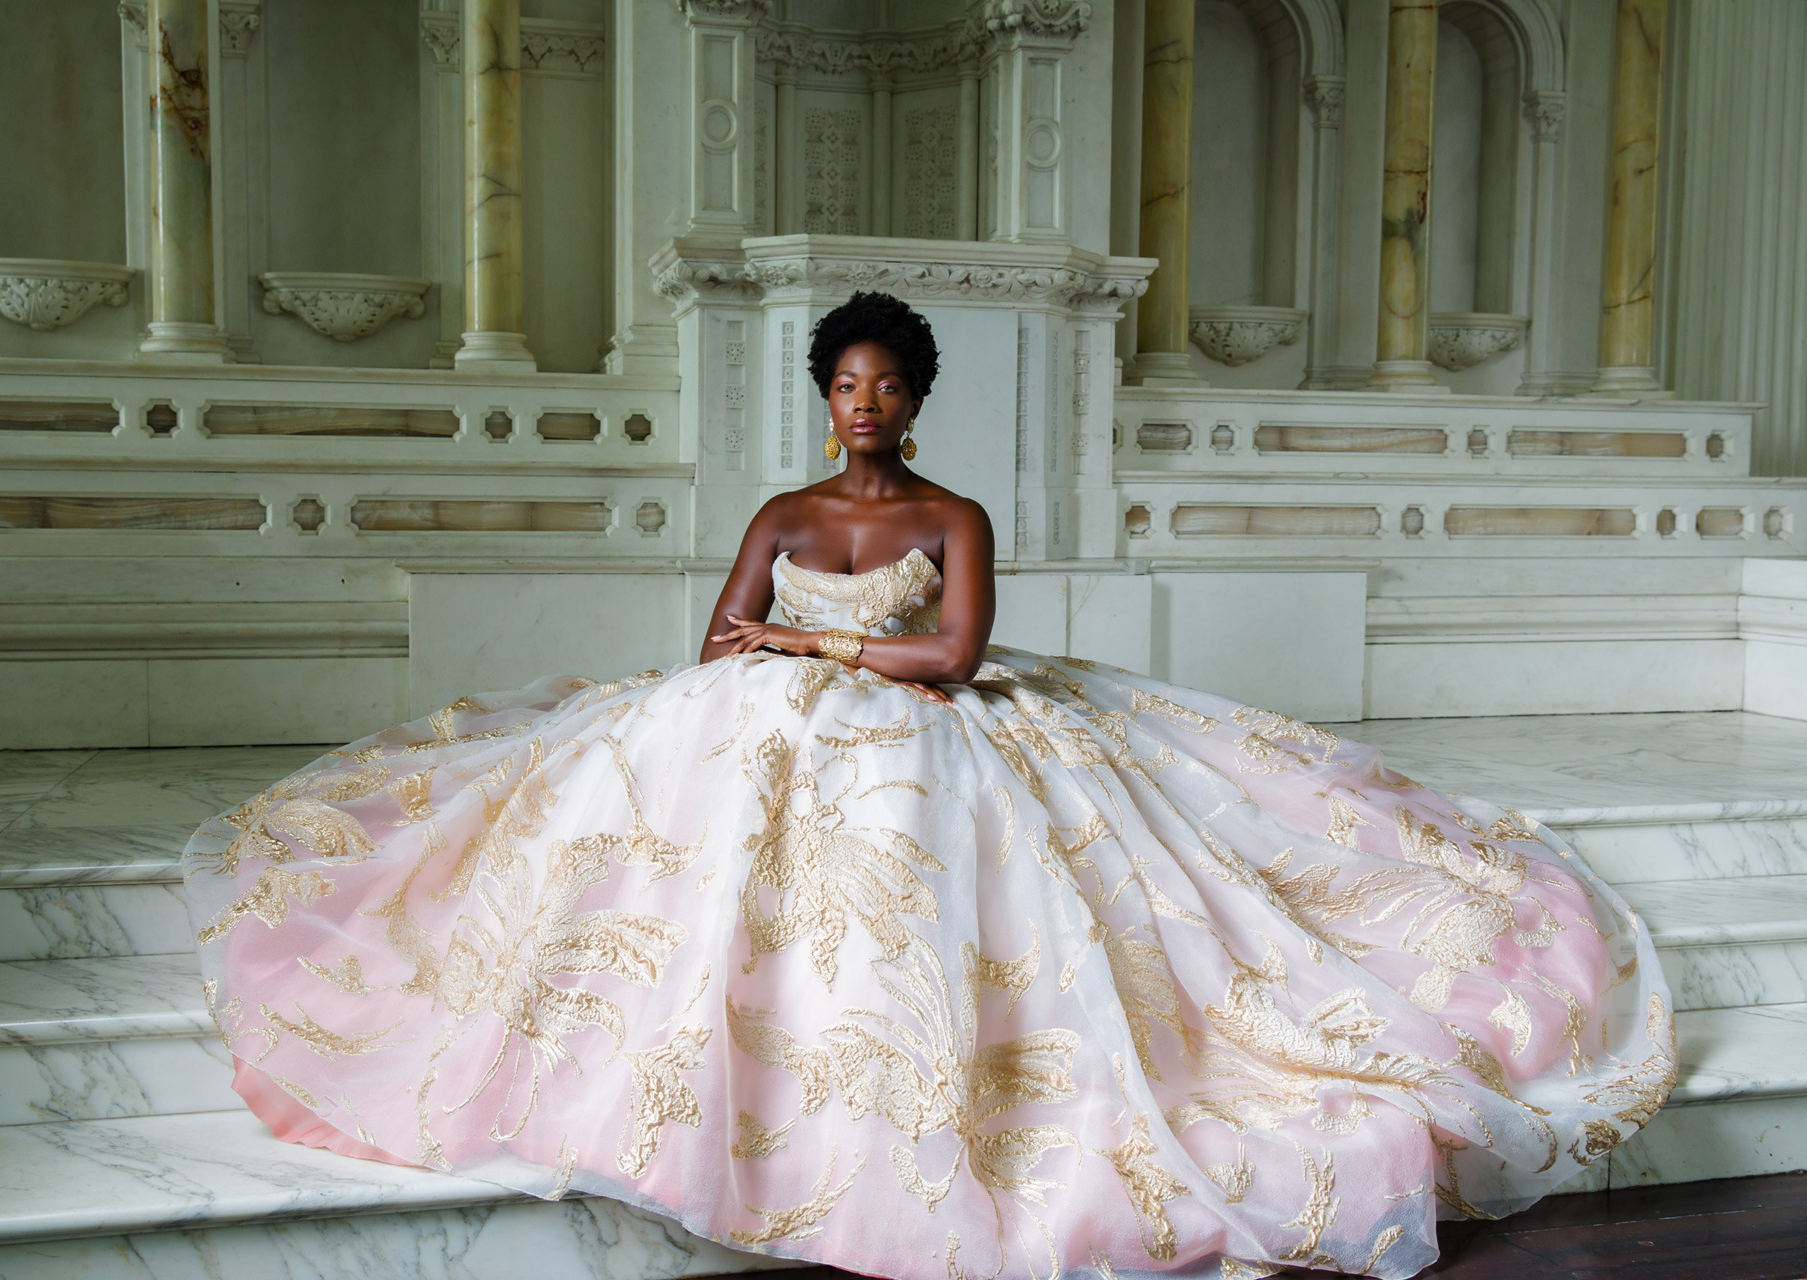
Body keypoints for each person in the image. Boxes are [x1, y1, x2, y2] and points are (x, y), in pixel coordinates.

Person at [184, 292, 1674, 1280]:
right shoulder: (783, 506)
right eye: (845, 384)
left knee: (958, 851)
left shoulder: (949, 511)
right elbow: (714, 642)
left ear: (916, 397)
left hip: (923, 724)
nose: (865, 404)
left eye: (887, 385)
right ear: (823, 394)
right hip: (762, 715)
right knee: (657, 807)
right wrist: (783, 649)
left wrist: (812, 646)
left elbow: (956, 655)